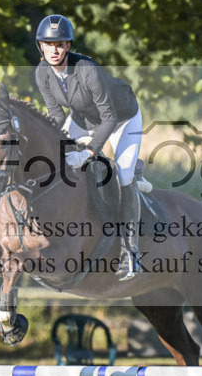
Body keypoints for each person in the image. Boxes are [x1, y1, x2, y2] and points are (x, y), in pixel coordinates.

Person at [33, 14, 143, 280]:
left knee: (124, 175)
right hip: (83, 118)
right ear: (41, 47)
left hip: (121, 119)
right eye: (49, 44)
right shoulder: (42, 73)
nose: (54, 50)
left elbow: (109, 118)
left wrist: (89, 151)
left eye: (60, 44)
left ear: (69, 46)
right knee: (59, 160)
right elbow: (57, 117)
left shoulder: (87, 70)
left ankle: (131, 252)